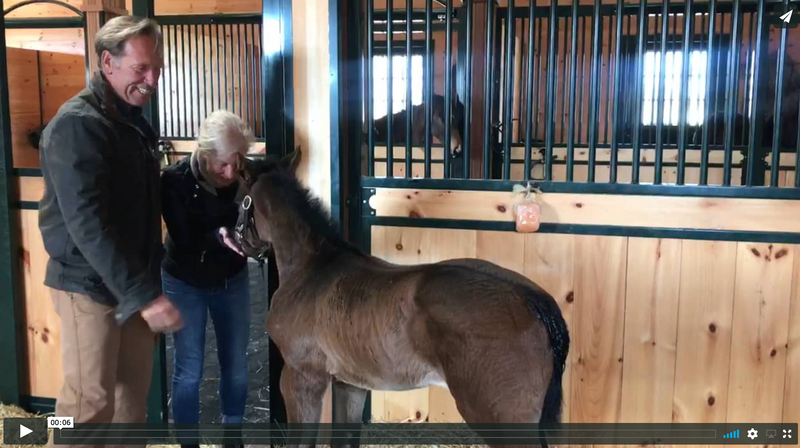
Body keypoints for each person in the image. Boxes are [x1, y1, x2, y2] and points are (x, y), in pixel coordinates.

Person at [38, 14, 183, 448]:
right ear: (107, 62)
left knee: (129, 407)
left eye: (156, 68)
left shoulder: (134, 121)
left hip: (134, 281)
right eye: (141, 69)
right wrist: (144, 295)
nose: (151, 79)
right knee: (85, 407)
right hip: (88, 285)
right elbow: (88, 226)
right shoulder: (76, 125)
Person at [160, 110, 254, 448]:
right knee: (190, 369)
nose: (231, 172)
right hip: (185, 281)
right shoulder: (174, 179)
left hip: (232, 277)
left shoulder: (243, 173)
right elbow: (184, 239)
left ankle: (233, 437)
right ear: (204, 153)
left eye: (237, 162)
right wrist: (221, 234)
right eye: (223, 164)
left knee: (237, 364)